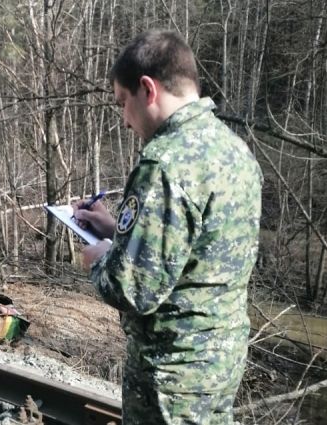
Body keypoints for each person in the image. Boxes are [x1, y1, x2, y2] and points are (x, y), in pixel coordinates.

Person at [73, 30, 263, 425]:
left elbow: (133, 289)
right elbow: (198, 248)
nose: (125, 119)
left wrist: (99, 258)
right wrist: (117, 229)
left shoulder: (164, 163)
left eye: (123, 103)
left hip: (171, 375)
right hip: (219, 362)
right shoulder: (234, 149)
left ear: (148, 90)